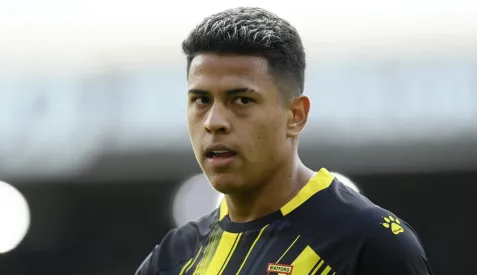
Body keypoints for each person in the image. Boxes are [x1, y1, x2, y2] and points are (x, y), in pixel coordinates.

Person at [135, 7, 432, 275]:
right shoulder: (173, 259)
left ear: (296, 116)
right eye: (201, 100)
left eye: (241, 99)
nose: (214, 122)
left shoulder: (368, 244)